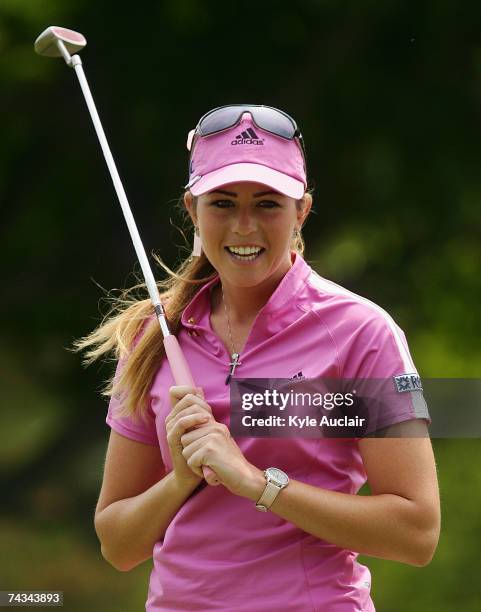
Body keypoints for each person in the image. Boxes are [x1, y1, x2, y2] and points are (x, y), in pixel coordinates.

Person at [73, 105, 441, 611]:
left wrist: (256, 484)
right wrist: (181, 479)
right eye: (222, 203)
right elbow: (117, 544)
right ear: (192, 210)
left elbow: (416, 532)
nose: (244, 227)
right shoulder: (154, 335)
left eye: (268, 204)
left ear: (302, 211)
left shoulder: (360, 333)